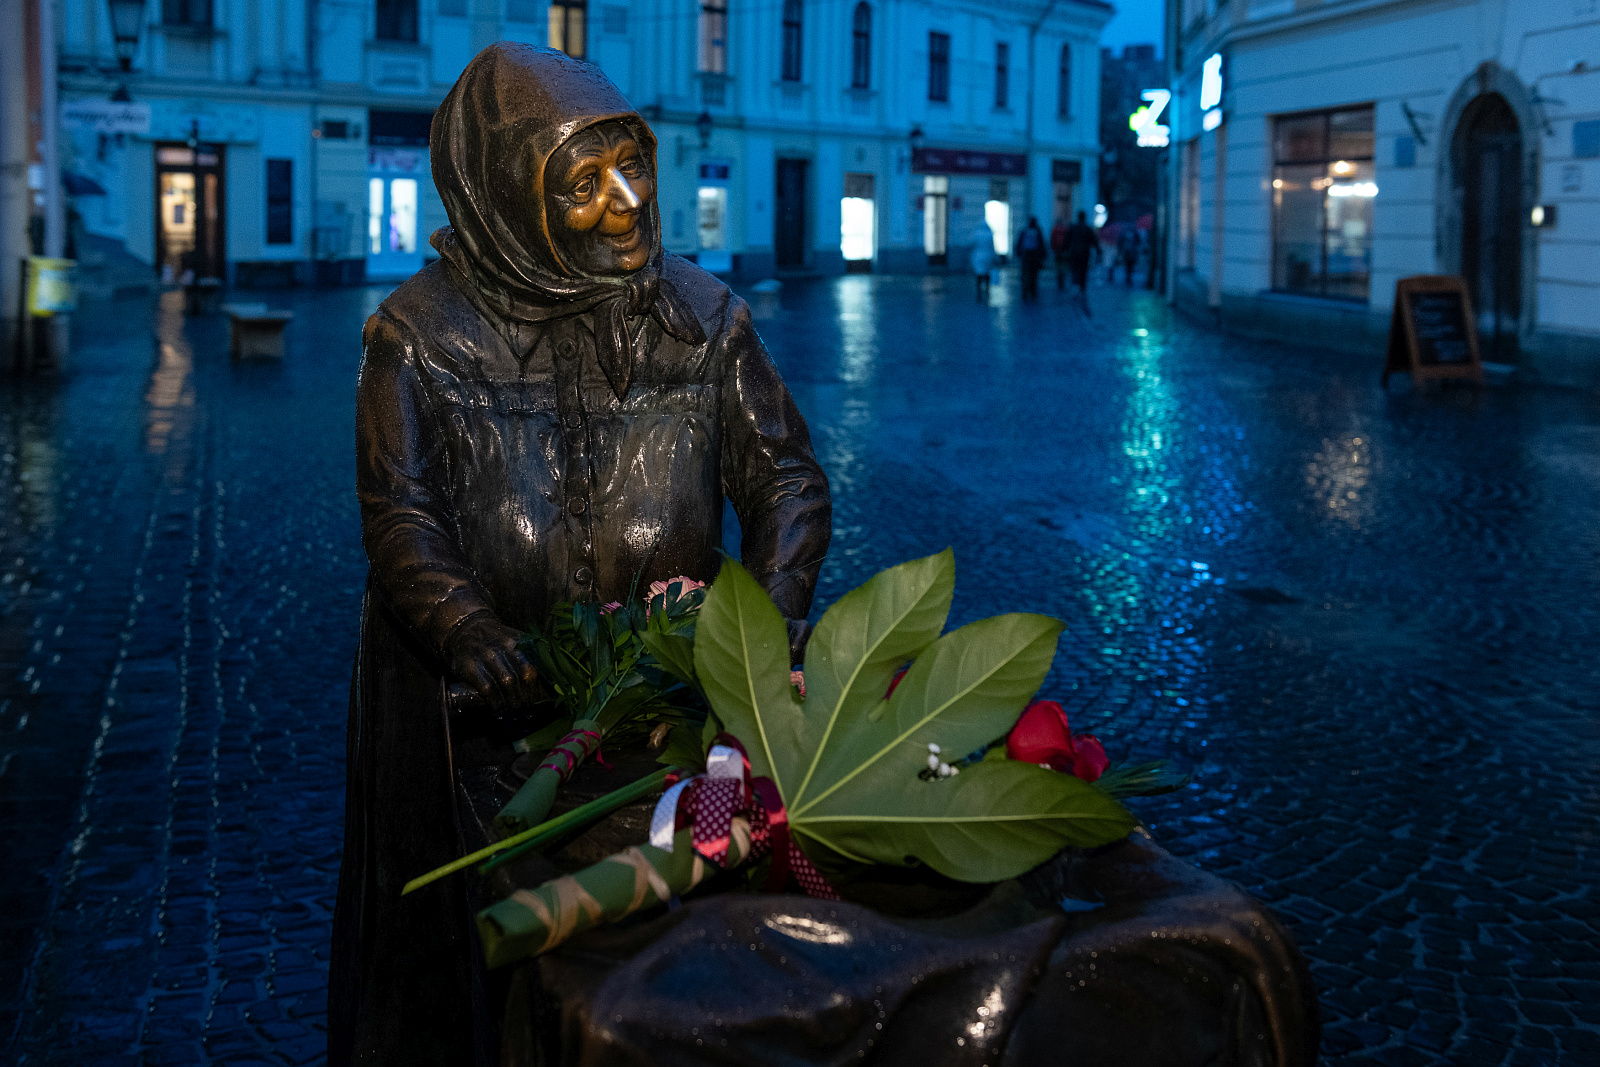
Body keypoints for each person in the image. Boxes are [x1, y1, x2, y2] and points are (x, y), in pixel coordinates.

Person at [330, 43, 832, 1067]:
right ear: (509, 200)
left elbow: (784, 478)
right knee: (463, 994)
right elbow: (402, 509)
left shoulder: (704, 321)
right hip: (470, 716)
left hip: (667, 715)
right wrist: (464, 623)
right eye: (580, 183)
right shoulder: (417, 337)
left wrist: (766, 617)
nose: (625, 202)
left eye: (631, 167)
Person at [1063, 210, 1100, 310]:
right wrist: (1098, 251)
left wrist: (1064, 250)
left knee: (1075, 271)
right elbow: (1094, 241)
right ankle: (1082, 290)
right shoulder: (1087, 228)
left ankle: (1076, 288)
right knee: (1083, 272)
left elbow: (1066, 240)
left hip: (1074, 254)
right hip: (1084, 254)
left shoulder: (1073, 228)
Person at [1014, 216, 1047, 301]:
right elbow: (1042, 245)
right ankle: (1033, 292)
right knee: (1034, 275)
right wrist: (1043, 256)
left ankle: (1025, 292)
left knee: (1025, 274)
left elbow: (1019, 243)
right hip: (1035, 257)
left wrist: (1019, 254)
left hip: (1026, 256)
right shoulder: (1037, 232)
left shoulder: (1024, 231)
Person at [970, 220, 996, 302]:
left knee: (979, 275)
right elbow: (993, 247)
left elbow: (972, 243)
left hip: (978, 257)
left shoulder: (977, 233)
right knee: (987, 274)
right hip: (988, 256)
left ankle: (979, 293)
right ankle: (987, 290)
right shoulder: (990, 234)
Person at [1050, 217, 1070, 289]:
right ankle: (1062, 280)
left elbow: (1052, 240)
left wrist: (1053, 249)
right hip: (1064, 251)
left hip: (1057, 251)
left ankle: (1059, 281)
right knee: (1063, 266)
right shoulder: (1065, 230)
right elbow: (1068, 240)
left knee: (1058, 266)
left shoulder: (1055, 230)